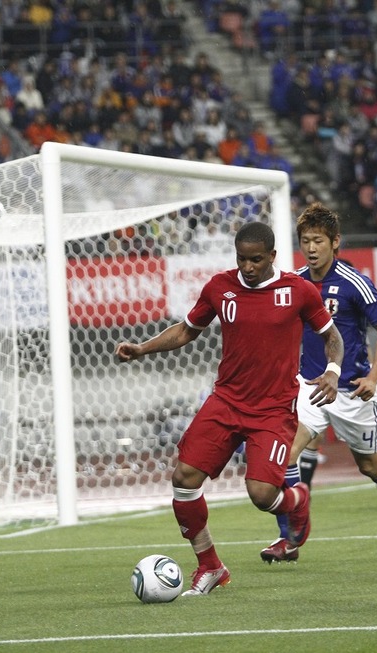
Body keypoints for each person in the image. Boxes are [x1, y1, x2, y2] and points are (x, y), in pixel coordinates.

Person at [115, 221, 344, 596]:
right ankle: (210, 566)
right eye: (242, 259)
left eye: (256, 260)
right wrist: (142, 348)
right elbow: (187, 330)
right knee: (184, 479)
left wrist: (332, 371)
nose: (248, 267)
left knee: (262, 495)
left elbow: (331, 336)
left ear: (272, 256)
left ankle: (297, 499)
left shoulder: (298, 291)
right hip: (226, 401)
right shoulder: (219, 287)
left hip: (273, 410)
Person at [259, 203, 377, 565]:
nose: (311, 248)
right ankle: (289, 538)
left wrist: (374, 377)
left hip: (351, 390)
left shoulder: (354, 282)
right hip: (310, 386)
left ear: (335, 241)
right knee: (284, 453)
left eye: (318, 240)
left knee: (371, 465)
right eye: (305, 241)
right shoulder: (295, 282)